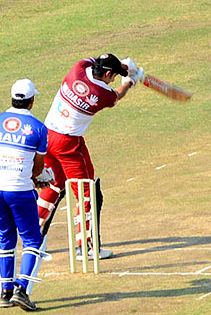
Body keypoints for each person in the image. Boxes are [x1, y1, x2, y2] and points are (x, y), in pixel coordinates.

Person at [36, 53, 145, 257]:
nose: (113, 80)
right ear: (108, 74)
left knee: (54, 184)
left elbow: (94, 60)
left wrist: (123, 65)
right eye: (113, 76)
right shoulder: (101, 94)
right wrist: (130, 80)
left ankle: (33, 238)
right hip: (67, 142)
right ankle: (85, 247)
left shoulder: (78, 68)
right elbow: (117, 95)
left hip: (46, 136)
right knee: (87, 193)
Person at [0, 79, 52, 311]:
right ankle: (22, 290)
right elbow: (37, 166)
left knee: (5, 236)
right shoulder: (39, 128)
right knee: (33, 239)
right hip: (19, 189)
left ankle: (5, 291)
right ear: (32, 101)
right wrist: (39, 178)